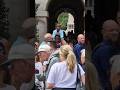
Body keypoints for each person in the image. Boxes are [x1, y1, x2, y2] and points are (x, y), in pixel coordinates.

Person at [92, 20, 120, 90]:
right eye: (111, 30)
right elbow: (111, 75)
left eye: (117, 30)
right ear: (103, 32)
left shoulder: (102, 47)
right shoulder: (106, 50)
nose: (115, 33)